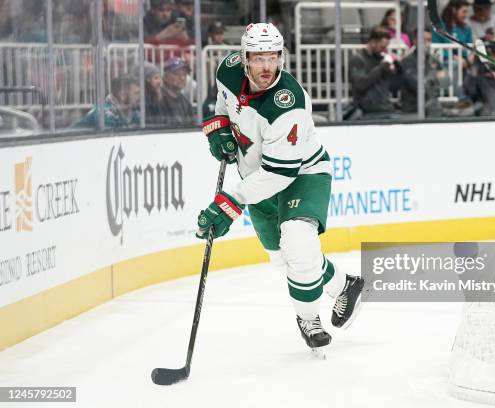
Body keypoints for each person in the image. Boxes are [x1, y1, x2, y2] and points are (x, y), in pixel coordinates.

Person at [198, 23, 365, 350]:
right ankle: (344, 285)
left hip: (301, 174)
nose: (266, 67)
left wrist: (230, 201)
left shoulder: (288, 104)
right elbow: (223, 103)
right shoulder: (228, 71)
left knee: (299, 243)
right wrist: (218, 129)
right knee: (282, 259)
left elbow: (279, 175)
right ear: (244, 58)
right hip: (255, 178)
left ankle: (308, 318)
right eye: (258, 59)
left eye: (273, 58)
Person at [348, 27, 405, 118]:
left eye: (386, 47)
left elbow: (393, 86)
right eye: (382, 47)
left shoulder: (382, 60)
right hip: (366, 112)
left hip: (385, 109)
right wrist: (381, 68)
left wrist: (398, 69)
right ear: (373, 42)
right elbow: (360, 85)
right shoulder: (358, 59)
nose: (384, 50)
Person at [399, 27, 448, 116]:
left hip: (433, 106)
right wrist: (435, 77)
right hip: (413, 108)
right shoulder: (407, 61)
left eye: (429, 40)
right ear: (414, 41)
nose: (426, 43)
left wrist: (438, 79)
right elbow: (417, 85)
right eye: (423, 40)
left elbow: (446, 83)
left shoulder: (433, 59)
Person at [72, 74, 140, 128]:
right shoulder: (104, 114)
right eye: (136, 93)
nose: (140, 96)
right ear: (122, 95)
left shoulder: (132, 111)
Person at [160, 57, 196, 126]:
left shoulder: (185, 102)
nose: (182, 78)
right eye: (176, 74)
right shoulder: (158, 99)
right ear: (165, 77)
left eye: (184, 74)